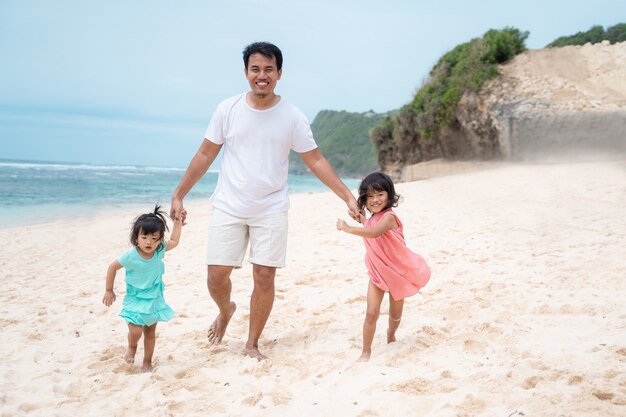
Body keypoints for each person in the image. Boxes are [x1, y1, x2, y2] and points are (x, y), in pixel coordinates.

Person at [170, 41, 359, 361]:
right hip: (229, 204)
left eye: (268, 69)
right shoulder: (227, 109)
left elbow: (315, 160)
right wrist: (179, 194)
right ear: (246, 73)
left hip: (271, 208)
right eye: (255, 69)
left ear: (279, 73)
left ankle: (251, 344)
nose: (262, 75)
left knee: (265, 276)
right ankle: (226, 309)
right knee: (216, 275)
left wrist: (347, 197)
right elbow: (205, 154)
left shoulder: (292, 117)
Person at [336, 172, 430, 362]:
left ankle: (390, 334)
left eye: (380, 194)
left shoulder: (389, 218)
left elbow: (374, 233)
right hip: (378, 273)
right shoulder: (371, 220)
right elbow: (369, 226)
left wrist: (348, 228)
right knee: (371, 313)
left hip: (398, 273)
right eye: (369, 196)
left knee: (395, 314)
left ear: (389, 195)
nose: (375, 200)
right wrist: (360, 218)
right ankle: (366, 352)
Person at [102, 204, 182, 371]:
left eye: (154, 238)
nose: (149, 242)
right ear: (136, 238)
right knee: (136, 331)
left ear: (160, 240)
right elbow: (112, 268)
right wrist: (109, 290)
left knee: (150, 334)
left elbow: (174, 241)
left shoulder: (159, 250)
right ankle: (132, 347)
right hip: (135, 299)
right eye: (144, 237)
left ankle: (147, 361)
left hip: (154, 299)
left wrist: (178, 223)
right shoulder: (130, 257)